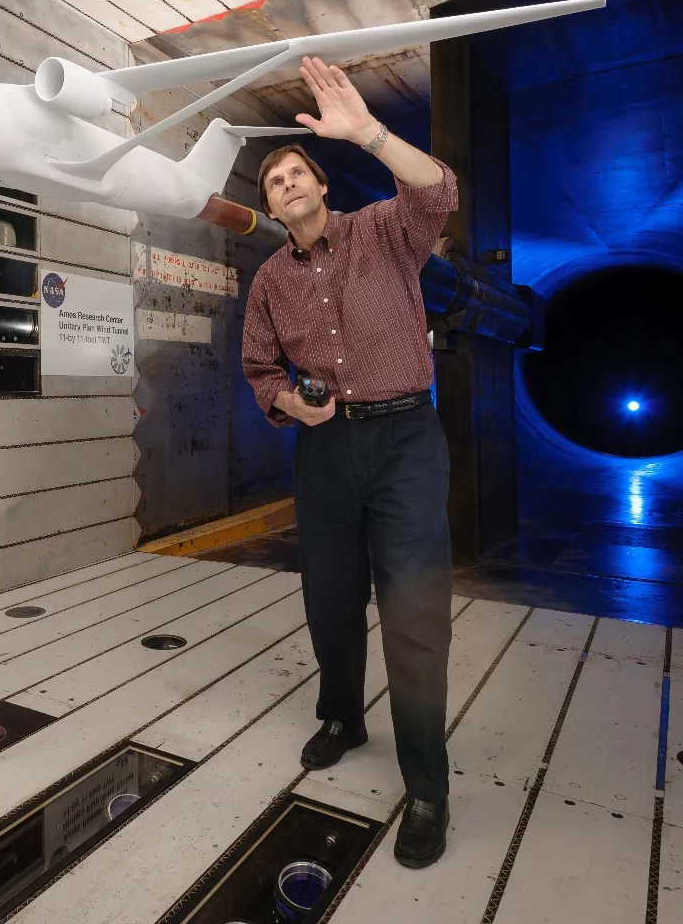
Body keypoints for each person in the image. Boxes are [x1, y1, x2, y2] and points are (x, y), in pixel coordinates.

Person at [241, 55, 459, 869]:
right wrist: (288, 405)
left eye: (297, 170)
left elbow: (439, 191)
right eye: (273, 181)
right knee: (329, 596)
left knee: (413, 613)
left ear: (322, 185)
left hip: (405, 439)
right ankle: (342, 715)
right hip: (325, 448)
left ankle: (428, 786)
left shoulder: (384, 232)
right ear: (269, 206)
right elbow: (259, 368)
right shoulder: (268, 280)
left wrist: (368, 132)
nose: (287, 184)